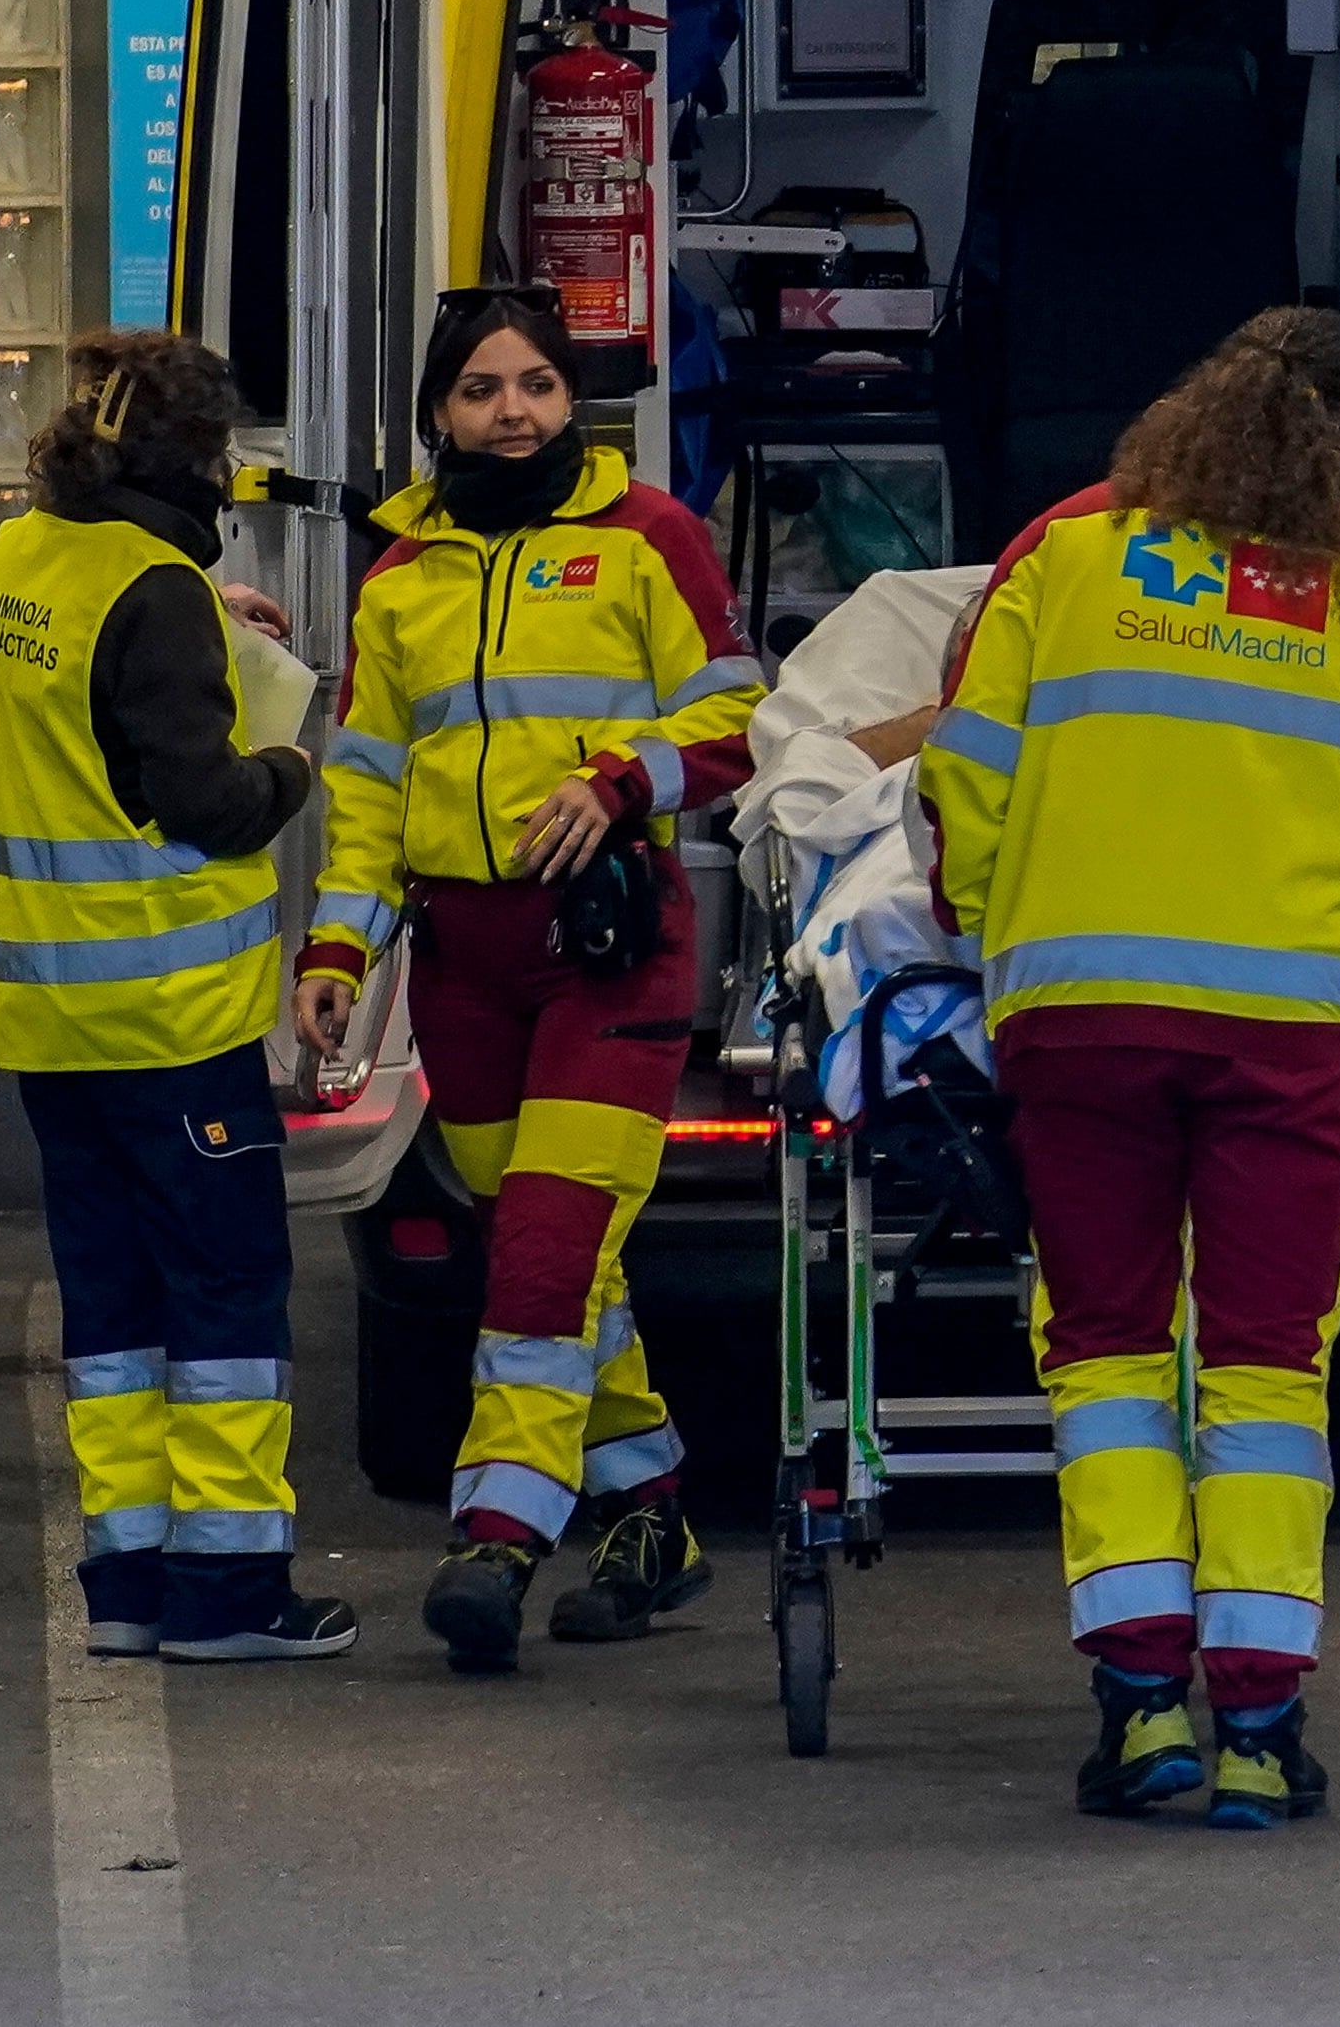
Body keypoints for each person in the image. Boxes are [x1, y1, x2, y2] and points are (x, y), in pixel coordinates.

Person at [923, 308, 1340, 1829]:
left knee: (1103, 1347)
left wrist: (993, 926)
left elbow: (970, 769)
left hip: (1082, 1010)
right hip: (1289, 1030)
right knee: (1268, 1367)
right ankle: (1260, 1726)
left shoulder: (1069, 553)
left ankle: (1142, 1700)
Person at [298, 285, 765, 1673]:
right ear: (438, 414)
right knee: (552, 1255)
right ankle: (654, 1515)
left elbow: (739, 708)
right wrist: (337, 947)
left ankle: (499, 1525)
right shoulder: (400, 575)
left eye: (541, 386)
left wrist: (625, 780)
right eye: (484, 390)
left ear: (577, 402)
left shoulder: (647, 538)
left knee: (551, 1246)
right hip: (461, 964)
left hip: (609, 944)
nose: (515, 412)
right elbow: (371, 785)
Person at [0, 329, 356, 1663]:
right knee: (229, 1299)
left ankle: (127, 1580)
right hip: (169, 1023)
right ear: (197, 459)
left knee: (113, 1307)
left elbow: (96, 691)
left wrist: (204, 629)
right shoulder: (157, 589)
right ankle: (235, 1592)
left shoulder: (27, 556)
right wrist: (292, 766)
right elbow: (206, 795)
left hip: (48, 1025)